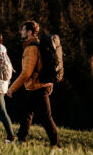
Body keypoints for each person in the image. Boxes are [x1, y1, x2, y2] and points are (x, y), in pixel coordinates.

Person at [7, 20, 59, 148]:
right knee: (26, 113)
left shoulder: (31, 48)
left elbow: (26, 73)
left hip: (38, 87)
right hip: (39, 86)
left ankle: (56, 145)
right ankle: (21, 140)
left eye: (23, 30)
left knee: (46, 118)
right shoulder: (39, 45)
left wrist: (11, 89)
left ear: (29, 32)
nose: (21, 32)